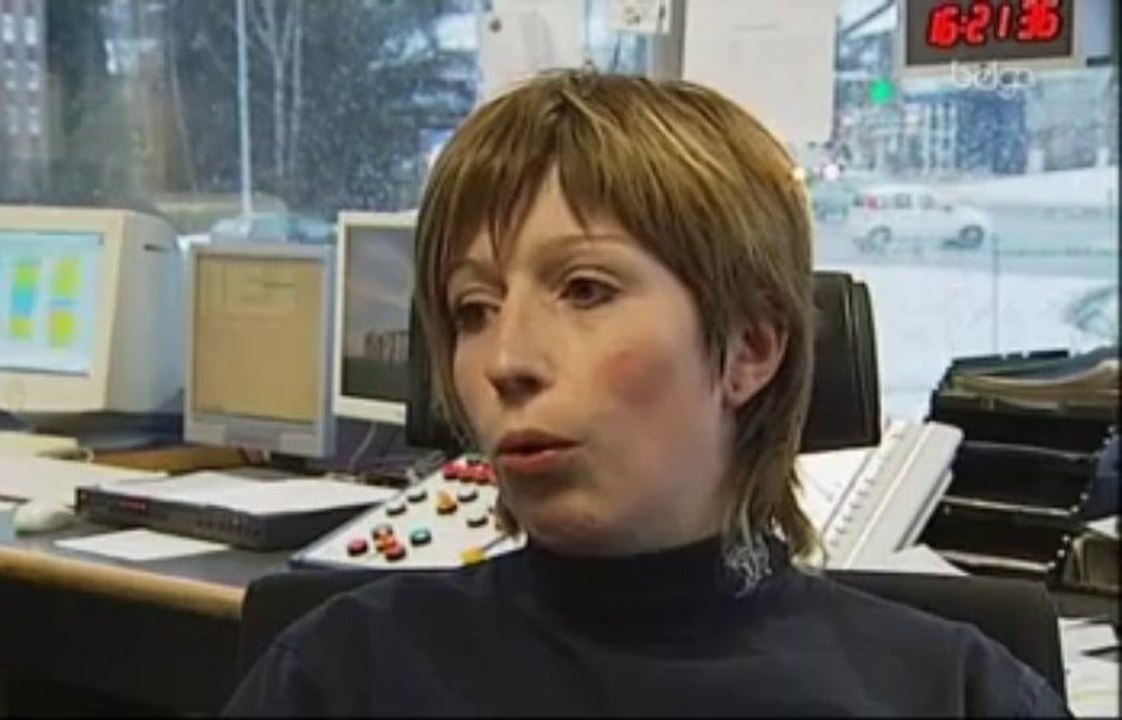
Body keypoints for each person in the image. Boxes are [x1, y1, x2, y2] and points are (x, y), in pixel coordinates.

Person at [224, 70, 1070, 717]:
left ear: (749, 346)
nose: (506, 358)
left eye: (585, 290)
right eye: (472, 309)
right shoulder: (338, 675)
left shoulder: (953, 695)